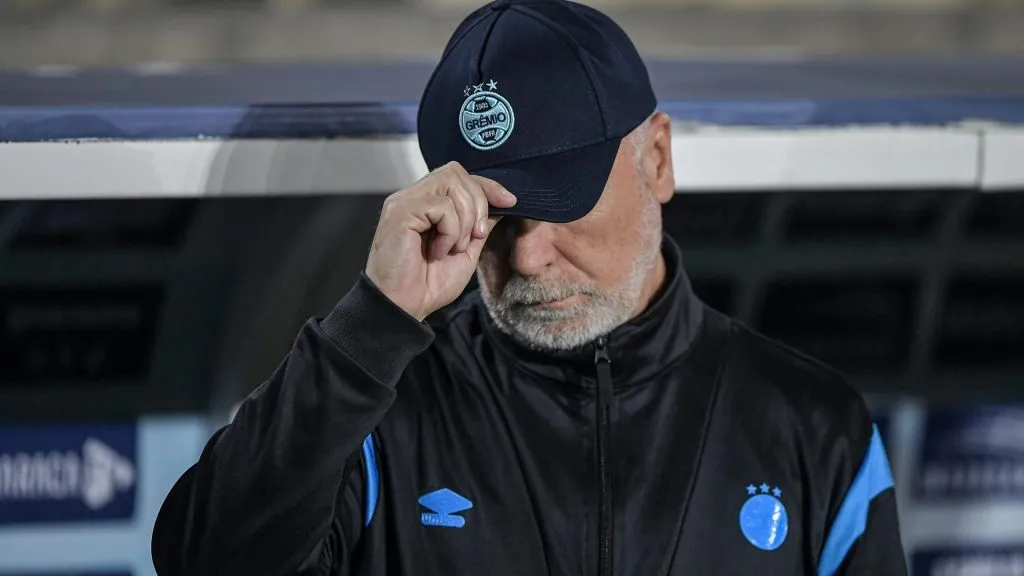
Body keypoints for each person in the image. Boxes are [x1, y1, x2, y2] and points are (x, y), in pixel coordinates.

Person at [151, 1, 908, 574]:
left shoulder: (813, 427)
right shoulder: (375, 411)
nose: (530, 255)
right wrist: (372, 322)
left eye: (564, 204)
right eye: (493, 217)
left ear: (657, 159)